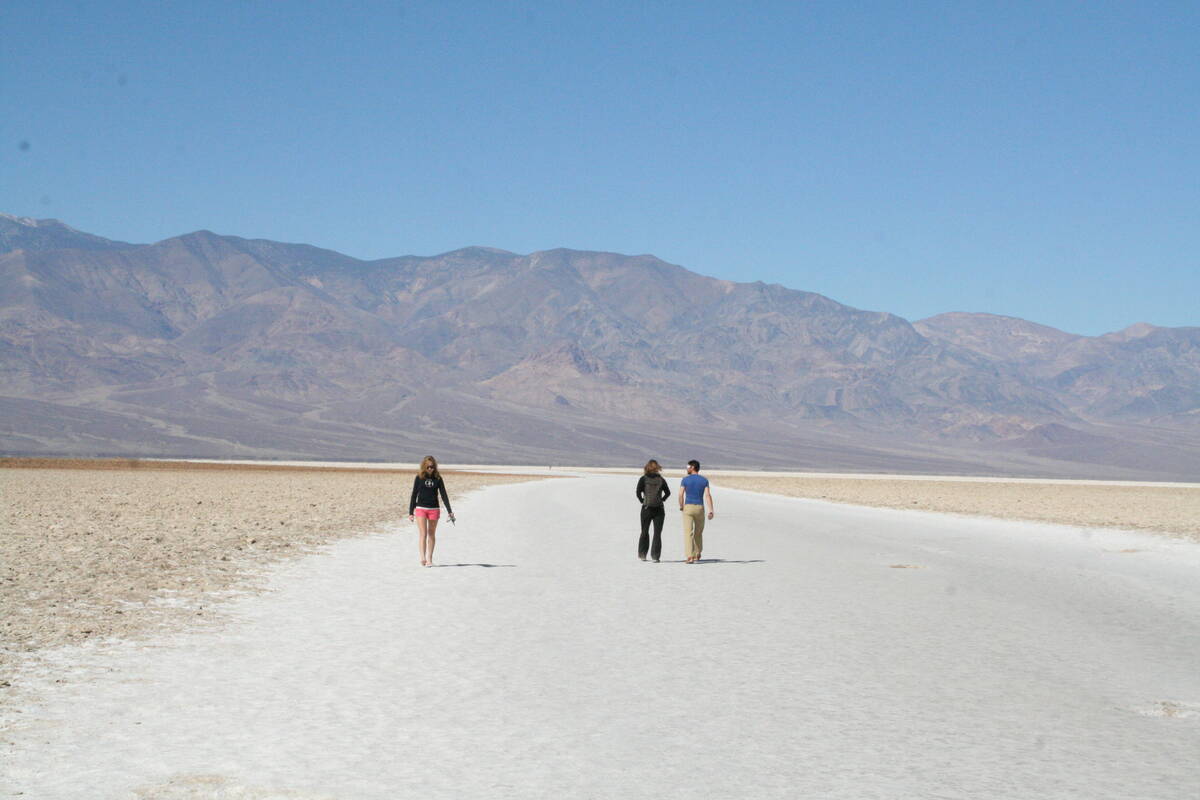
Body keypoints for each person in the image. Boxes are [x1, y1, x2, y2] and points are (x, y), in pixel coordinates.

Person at [408, 455, 455, 567]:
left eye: (432, 466)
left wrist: (450, 511)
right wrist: (410, 512)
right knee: (423, 534)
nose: (430, 469)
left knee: (431, 534)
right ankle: (423, 557)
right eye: (428, 467)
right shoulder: (419, 477)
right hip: (421, 509)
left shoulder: (438, 478)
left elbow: (444, 495)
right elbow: (414, 495)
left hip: (434, 509)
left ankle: (429, 558)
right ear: (424, 466)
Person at [635, 459, 671, 562]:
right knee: (657, 533)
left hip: (646, 509)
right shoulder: (661, 479)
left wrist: (642, 500)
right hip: (659, 509)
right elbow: (668, 492)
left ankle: (642, 555)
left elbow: (638, 492)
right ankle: (655, 556)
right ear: (657, 468)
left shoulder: (643, 479)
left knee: (644, 532)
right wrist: (662, 500)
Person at [679, 459, 714, 563]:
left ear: (693, 467)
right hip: (700, 508)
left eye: (688, 466)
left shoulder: (685, 480)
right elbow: (707, 495)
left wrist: (681, 506)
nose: (687, 468)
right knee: (698, 532)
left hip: (688, 507)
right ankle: (697, 553)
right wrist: (711, 510)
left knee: (688, 532)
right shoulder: (704, 480)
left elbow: (680, 494)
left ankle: (690, 556)